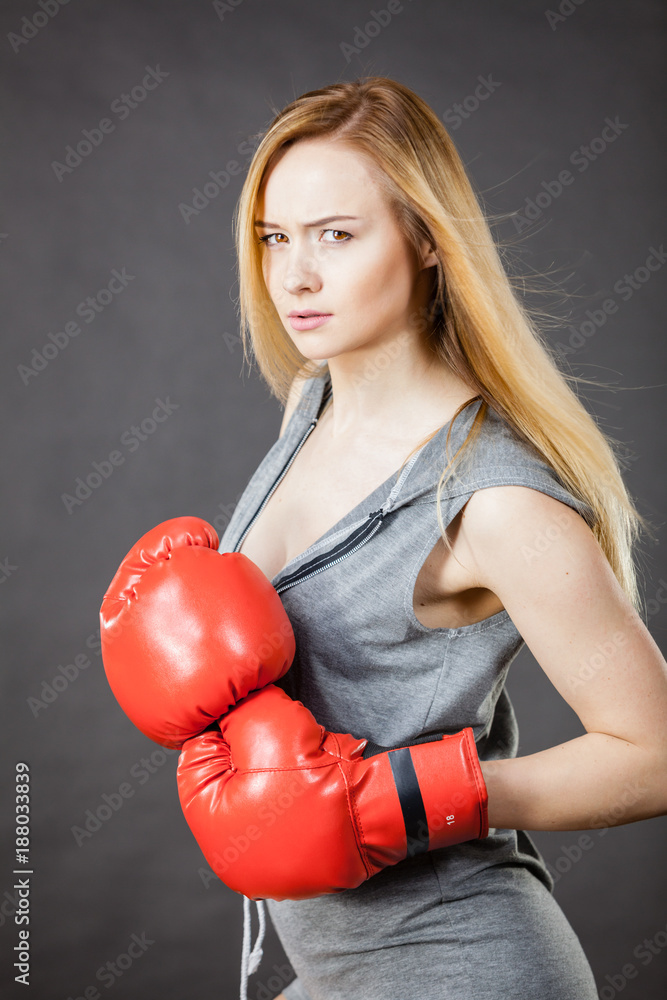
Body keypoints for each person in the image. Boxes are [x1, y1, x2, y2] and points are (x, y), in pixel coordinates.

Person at [209, 76, 667, 1000]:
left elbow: (653, 751)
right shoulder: (312, 399)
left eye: (336, 235)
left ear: (424, 238)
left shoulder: (491, 498)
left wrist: (423, 798)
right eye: (274, 237)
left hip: (463, 965)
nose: (294, 274)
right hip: (332, 970)